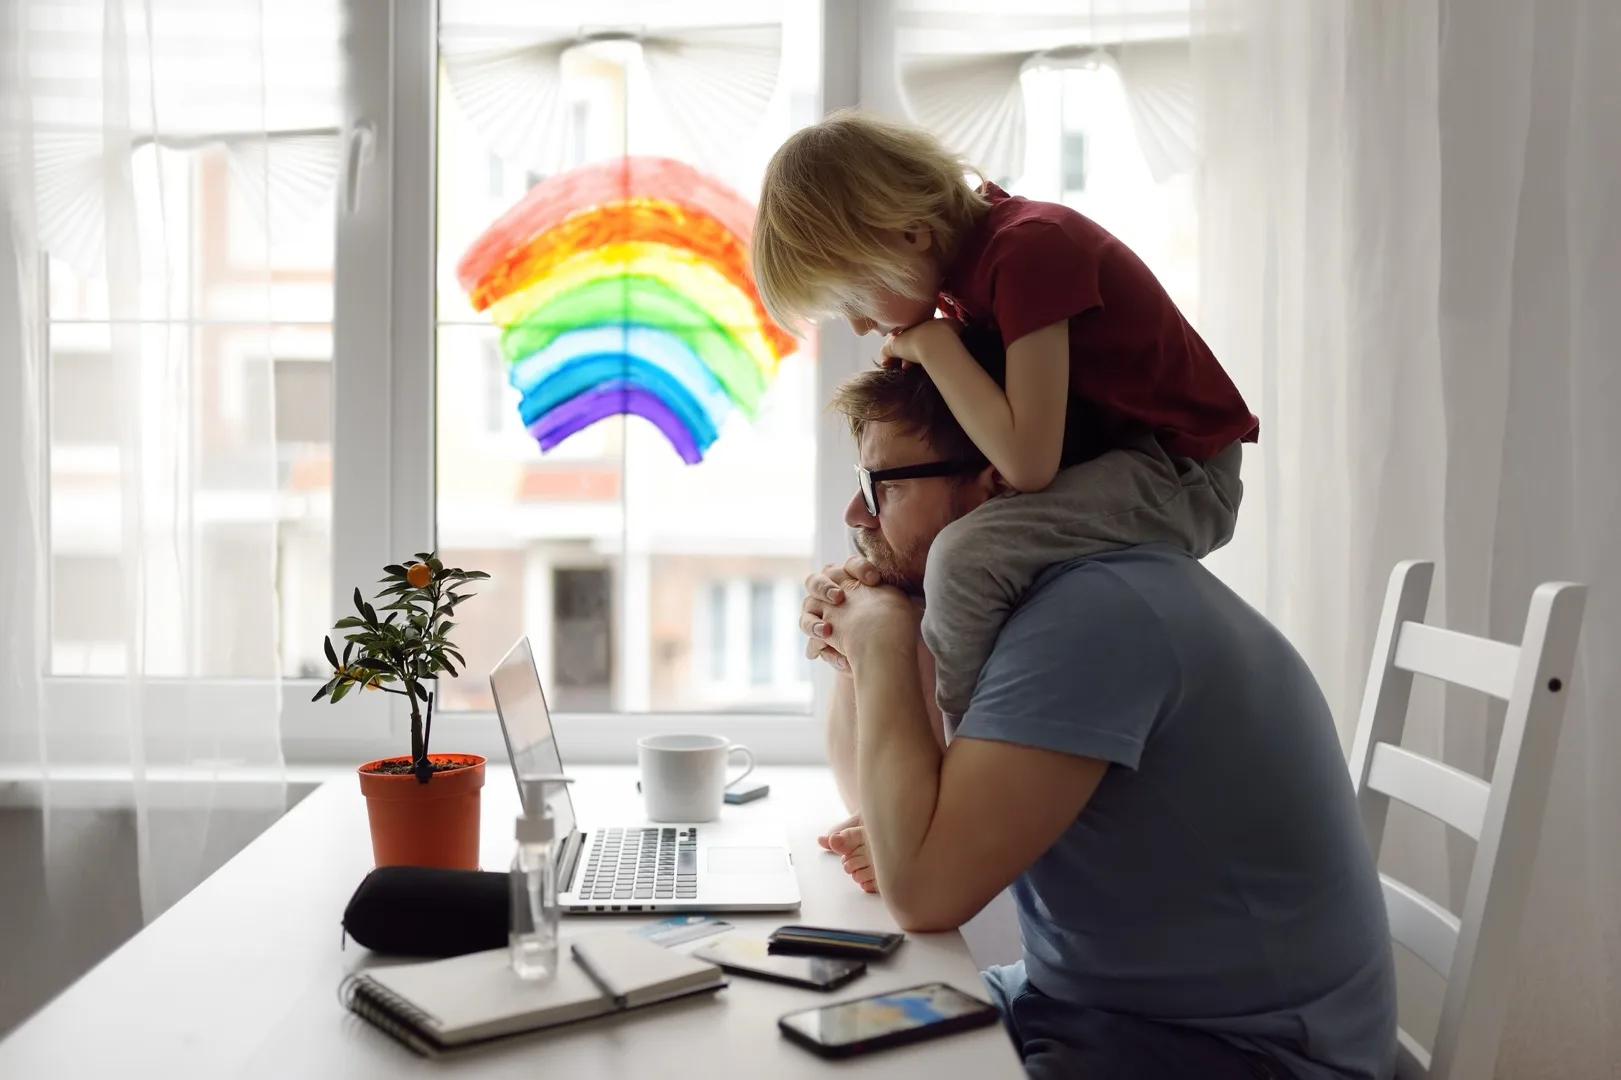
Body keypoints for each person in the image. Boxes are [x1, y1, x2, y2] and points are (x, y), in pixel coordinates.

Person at [799, 356, 1397, 1079]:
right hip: (1090, 1015)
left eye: (881, 485)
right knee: (823, 1047)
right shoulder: (1050, 599)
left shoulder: (1095, 616)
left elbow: (921, 893)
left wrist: (881, 638)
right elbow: (875, 810)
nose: (855, 515)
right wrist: (865, 647)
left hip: (1240, 1056)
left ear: (994, 480)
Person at [754, 108, 1259, 729]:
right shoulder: (976, 275)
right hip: (1129, 459)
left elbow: (1027, 463)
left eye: (855, 296)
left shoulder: (1029, 249)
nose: (860, 325)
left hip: (1182, 473)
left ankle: (964, 755)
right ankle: (921, 757)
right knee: (934, 554)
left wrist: (936, 346)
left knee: (966, 555)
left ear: (910, 231)